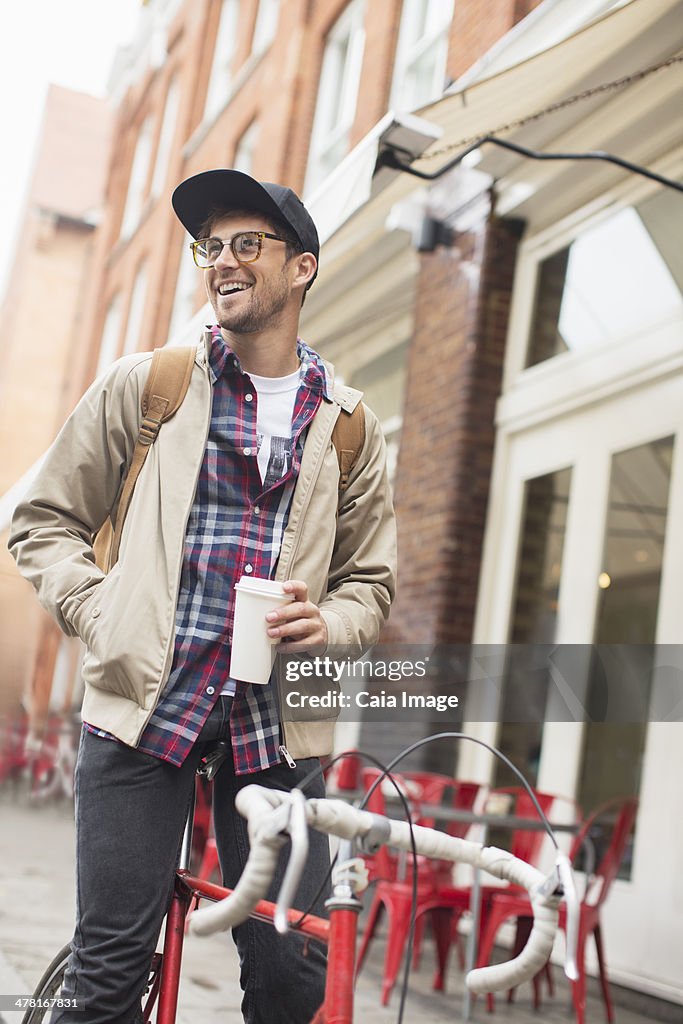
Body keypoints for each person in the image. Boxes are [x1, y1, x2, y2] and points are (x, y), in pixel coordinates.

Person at [9, 169, 397, 1024]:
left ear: (302, 267)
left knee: (294, 970)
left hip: (275, 733)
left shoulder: (349, 426)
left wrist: (327, 622)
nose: (221, 260)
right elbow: (38, 520)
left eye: (245, 243)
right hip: (144, 713)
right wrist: (100, 610)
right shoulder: (149, 386)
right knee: (108, 976)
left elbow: (371, 582)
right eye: (209, 246)